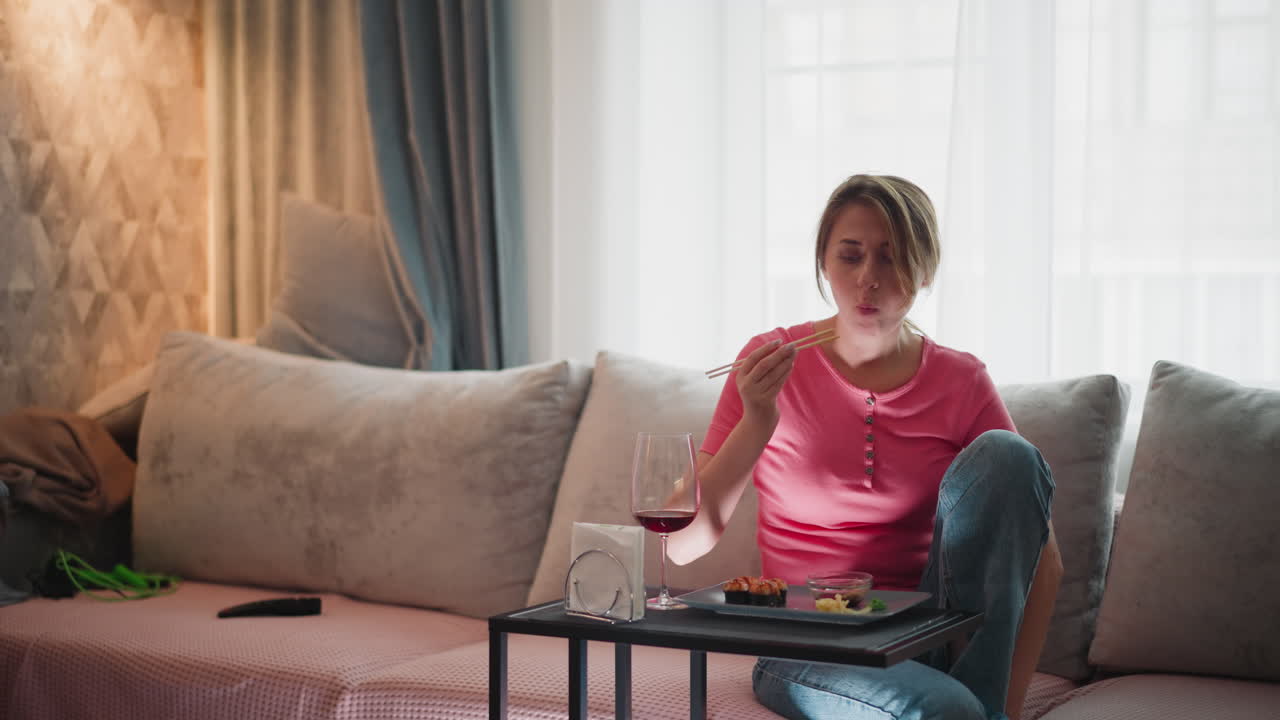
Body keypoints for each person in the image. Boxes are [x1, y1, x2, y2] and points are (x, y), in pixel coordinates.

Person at [667, 174, 1063, 720]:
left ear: (924, 271)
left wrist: (1008, 709)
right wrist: (757, 420)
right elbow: (681, 544)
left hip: (929, 633)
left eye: (891, 259)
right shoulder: (770, 359)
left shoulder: (963, 379)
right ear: (823, 264)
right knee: (946, 711)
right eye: (849, 257)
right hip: (808, 642)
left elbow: (1044, 563)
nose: (867, 280)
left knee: (1009, 456)